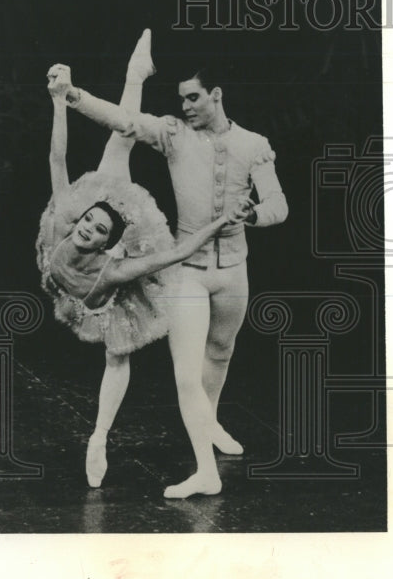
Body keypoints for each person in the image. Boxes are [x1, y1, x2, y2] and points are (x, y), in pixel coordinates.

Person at [49, 34, 288, 499]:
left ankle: (210, 424)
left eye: (193, 97)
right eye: (181, 99)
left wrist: (255, 214)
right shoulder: (173, 135)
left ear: (216, 95)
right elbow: (123, 120)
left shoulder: (253, 144)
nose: (186, 106)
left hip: (234, 272)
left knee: (219, 355)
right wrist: (73, 96)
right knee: (185, 375)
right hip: (188, 275)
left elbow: (279, 204)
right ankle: (205, 470)